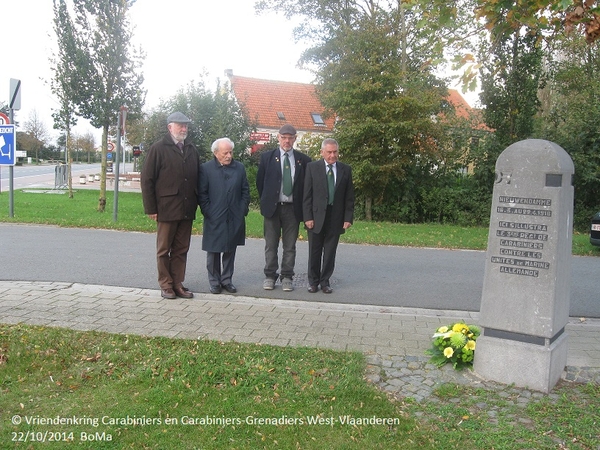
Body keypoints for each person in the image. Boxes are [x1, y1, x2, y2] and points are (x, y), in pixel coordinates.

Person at [141, 112, 200, 299]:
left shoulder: (191, 149)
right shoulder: (158, 149)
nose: (184, 129)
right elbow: (147, 179)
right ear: (170, 127)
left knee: (181, 249)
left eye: (186, 126)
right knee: (164, 249)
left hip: (186, 208)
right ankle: (165, 285)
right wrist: (151, 208)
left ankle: (177, 283)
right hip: (166, 208)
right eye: (180, 125)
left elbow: (197, 178)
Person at [256, 124, 312, 291]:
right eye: (284, 137)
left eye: (290, 138)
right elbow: (260, 183)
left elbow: (306, 187)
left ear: (295, 139)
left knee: (290, 245)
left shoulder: (304, 160)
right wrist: (267, 200)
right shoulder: (267, 157)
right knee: (271, 244)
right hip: (272, 208)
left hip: (293, 209)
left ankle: (287, 276)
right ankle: (270, 276)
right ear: (278, 138)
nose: (287, 141)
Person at [198, 138, 250, 294]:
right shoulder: (206, 169)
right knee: (213, 250)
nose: (229, 156)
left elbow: (245, 191)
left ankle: (227, 280)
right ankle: (214, 281)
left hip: (234, 216)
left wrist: (242, 211)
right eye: (225, 152)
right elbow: (202, 194)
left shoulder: (239, 168)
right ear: (216, 153)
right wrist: (209, 211)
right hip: (215, 216)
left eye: (231, 152)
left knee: (230, 249)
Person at [303, 138, 354, 294]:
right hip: (316, 216)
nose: (332, 155)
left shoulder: (345, 169)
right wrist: (308, 217)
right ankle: (313, 282)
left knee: (330, 251)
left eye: (335, 152)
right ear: (322, 152)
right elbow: (307, 195)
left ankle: (325, 282)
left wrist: (348, 218)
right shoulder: (312, 168)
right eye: (329, 152)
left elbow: (349, 196)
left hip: (336, 217)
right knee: (314, 251)